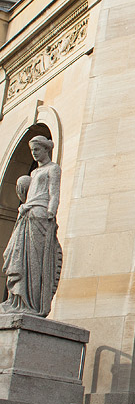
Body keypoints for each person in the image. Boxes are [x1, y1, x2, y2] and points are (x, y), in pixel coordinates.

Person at [1, 134, 62, 317]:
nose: (34, 154)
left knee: (34, 260)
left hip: (40, 216)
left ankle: (30, 302)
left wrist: (50, 214)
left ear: (46, 149)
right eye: (32, 150)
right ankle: (17, 299)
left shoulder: (53, 168)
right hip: (26, 215)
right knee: (18, 257)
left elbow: (54, 193)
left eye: (37, 149)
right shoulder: (34, 172)